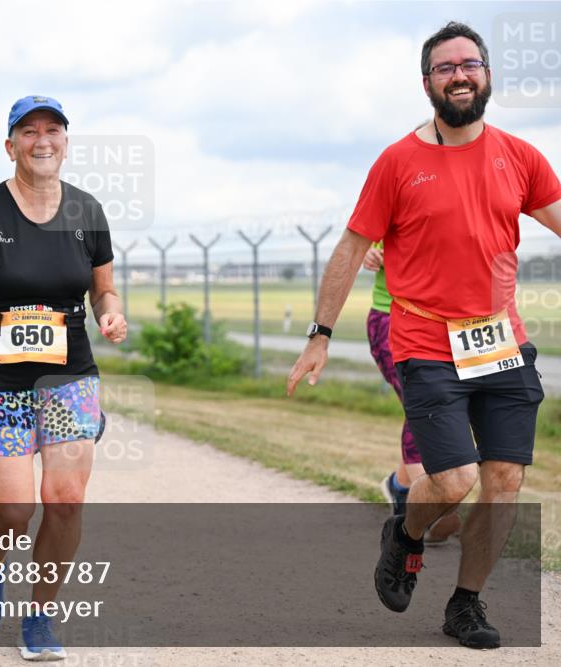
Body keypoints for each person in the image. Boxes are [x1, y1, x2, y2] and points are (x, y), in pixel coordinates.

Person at [287, 22, 560, 650]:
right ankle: (405, 536)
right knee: (454, 476)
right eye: (445, 67)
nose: (459, 75)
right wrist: (320, 334)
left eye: (470, 64)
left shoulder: (520, 156)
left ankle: (466, 604)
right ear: (427, 83)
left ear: (487, 74)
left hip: (500, 342)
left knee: (506, 481)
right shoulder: (398, 161)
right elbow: (352, 249)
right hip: (425, 342)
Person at [0, 95, 126, 661]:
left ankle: (39, 615)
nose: (43, 140)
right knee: (13, 513)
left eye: (53, 130)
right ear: (10, 145)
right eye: (29, 131)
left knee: (63, 501)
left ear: (65, 141)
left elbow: (102, 287)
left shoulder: (87, 212)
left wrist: (110, 309)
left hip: (68, 377)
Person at [365, 241, 461, 542]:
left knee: (440, 405)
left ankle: (402, 487)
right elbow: (360, 236)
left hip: (446, 321)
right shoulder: (398, 193)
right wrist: (367, 250)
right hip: (392, 319)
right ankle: (432, 503)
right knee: (420, 406)